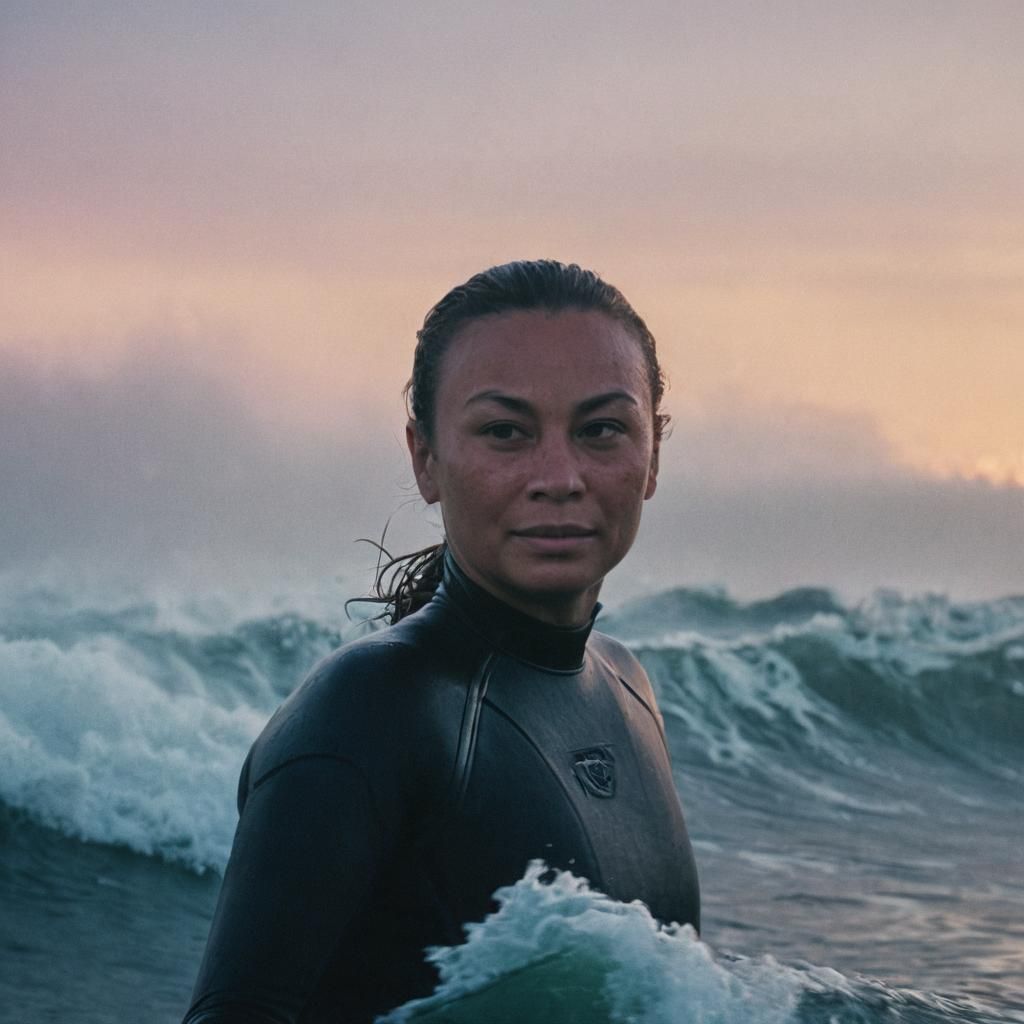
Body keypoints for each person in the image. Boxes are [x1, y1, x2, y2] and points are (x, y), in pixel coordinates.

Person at [182, 260, 700, 1024]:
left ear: (652, 456)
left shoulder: (626, 689)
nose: (559, 476)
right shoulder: (368, 713)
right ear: (425, 459)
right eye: (505, 432)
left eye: (600, 430)